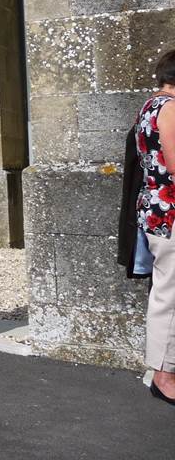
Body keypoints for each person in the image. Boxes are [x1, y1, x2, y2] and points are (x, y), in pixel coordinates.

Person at [134, 49, 175, 405]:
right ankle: (163, 374)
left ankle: (164, 369)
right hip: (171, 211)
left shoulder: (148, 106)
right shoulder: (171, 109)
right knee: (169, 294)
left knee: (166, 291)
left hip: (155, 209)